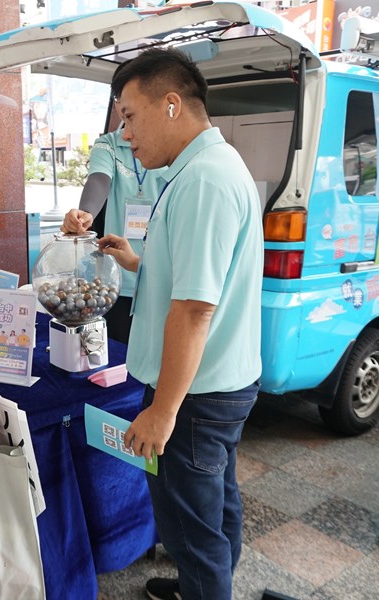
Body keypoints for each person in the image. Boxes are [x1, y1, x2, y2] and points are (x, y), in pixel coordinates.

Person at [98, 48, 263, 600]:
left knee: (190, 528)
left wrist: (162, 412)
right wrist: (137, 262)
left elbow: (195, 309)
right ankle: (205, 585)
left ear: (171, 104)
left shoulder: (202, 181)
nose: (125, 135)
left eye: (130, 116)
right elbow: (196, 274)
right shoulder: (209, 166)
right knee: (216, 504)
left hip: (193, 395)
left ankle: (204, 586)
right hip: (219, 381)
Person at [61, 105, 166, 345]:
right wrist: (86, 213)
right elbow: (99, 180)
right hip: (116, 280)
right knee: (119, 352)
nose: (127, 133)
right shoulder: (109, 145)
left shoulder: (170, 149)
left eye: (131, 115)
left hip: (160, 275)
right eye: (124, 116)